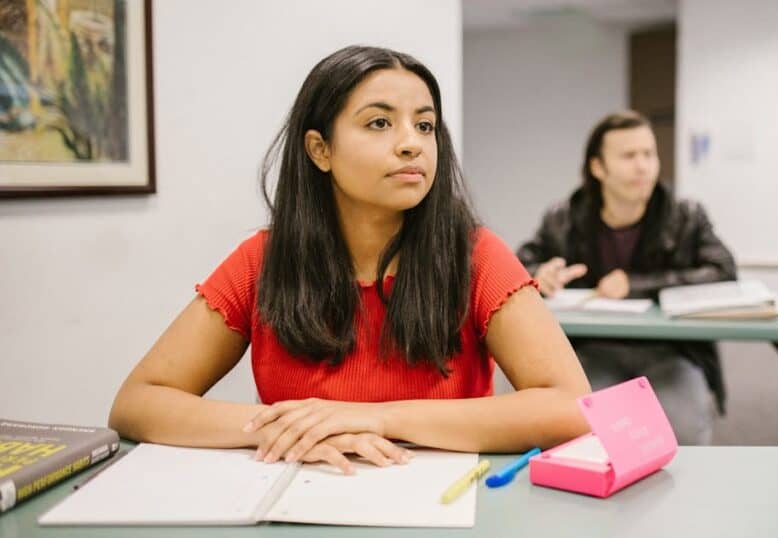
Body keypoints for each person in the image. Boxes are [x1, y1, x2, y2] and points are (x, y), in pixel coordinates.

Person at [108, 46, 590, 474]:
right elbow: (138, 402)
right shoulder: (262, 260)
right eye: (380, 123)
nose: (412, 143)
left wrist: (377, 418)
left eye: (425, 125)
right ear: (320, 150)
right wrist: (292, 428)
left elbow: (572, 407)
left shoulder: (477, 256)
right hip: (301, 499)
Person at [516, 111, 737, 445]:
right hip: (592, 349)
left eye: (649, 154)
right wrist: (539, 276)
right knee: (578, 431)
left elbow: (723, 271)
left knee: (685, 432)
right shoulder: (563, 218)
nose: (643, 166)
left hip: (673, 350)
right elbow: (520, 267)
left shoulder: (685, 215)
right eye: (629, 156)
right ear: (598, 168)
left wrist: (635, 286)